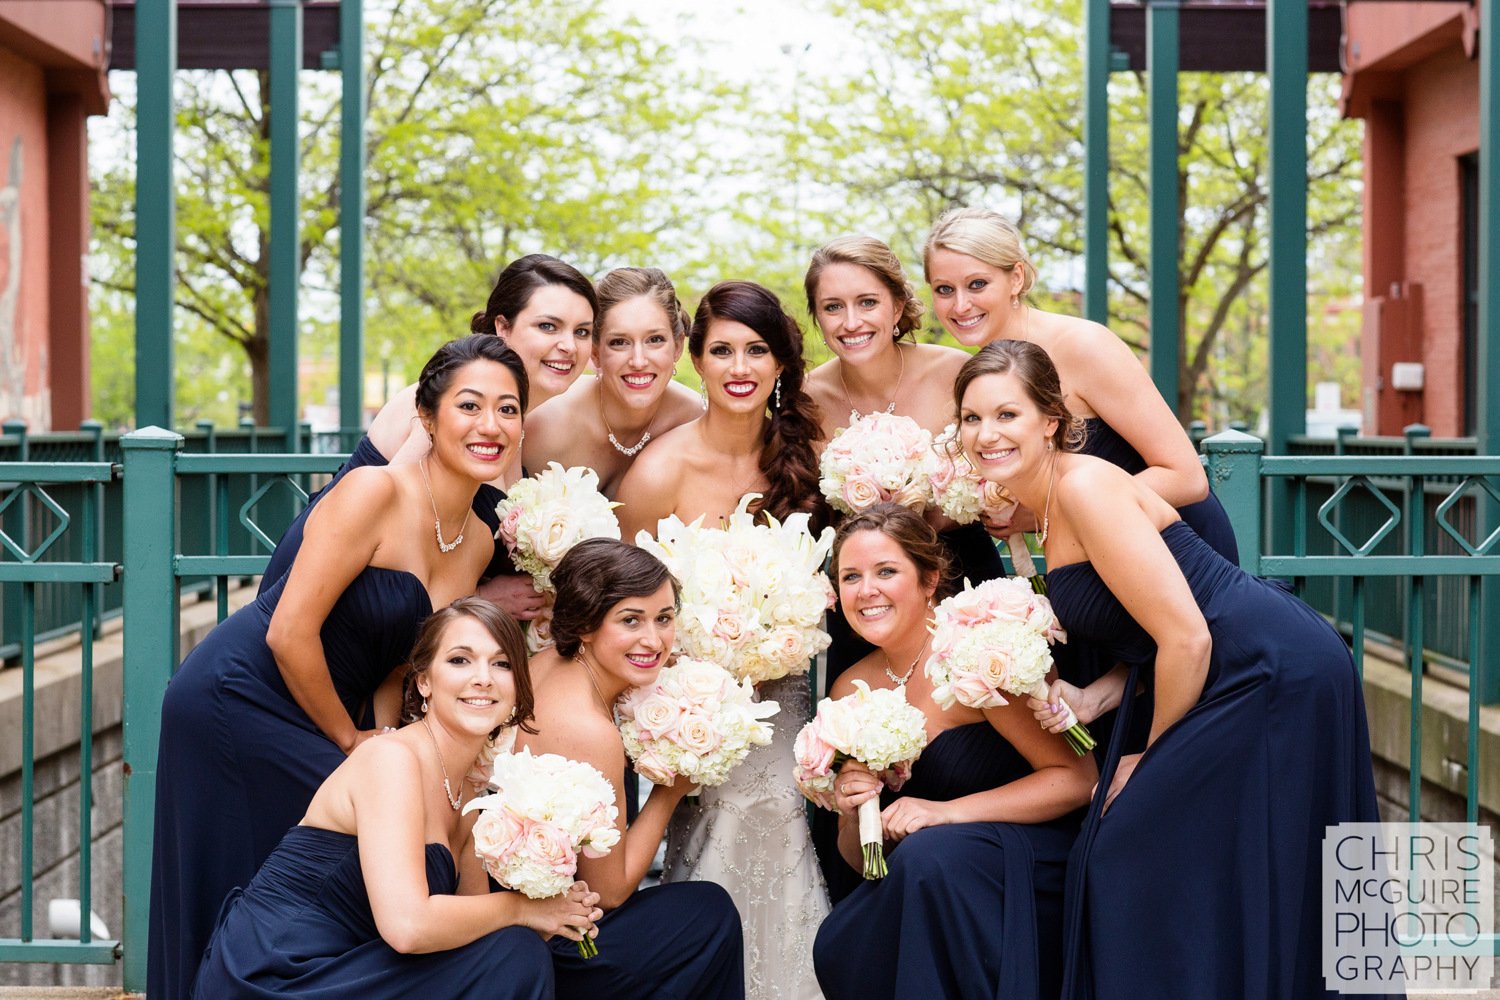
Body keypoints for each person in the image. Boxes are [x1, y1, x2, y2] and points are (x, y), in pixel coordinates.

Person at [954, 340, 1381, 999]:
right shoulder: (1045, 508)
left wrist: (1146, 759)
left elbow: (1186, 637)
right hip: (1217, 665)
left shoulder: (1087, 488)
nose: (986, 434)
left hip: (1269, 672)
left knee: (1129, 848)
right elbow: (1147, 638)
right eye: (971, 418)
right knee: (1165, 857)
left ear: (1049, 418)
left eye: (1006, 415)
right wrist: (1091, 698)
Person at [148, 334, 528, 1000]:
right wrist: (353, 742)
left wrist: (393, 740)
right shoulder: (372, 492)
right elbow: (290, 631)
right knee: (269, 870)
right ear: (428, 418)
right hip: (240, 696)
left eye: (507, 409)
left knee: (356, 870)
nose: (489, 425)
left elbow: (396, 667)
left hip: (333, 706)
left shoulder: (472, 542)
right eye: (470, 406)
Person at [924, 206, 1239, 749]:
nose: (960, 305)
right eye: (943, 289)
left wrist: (1055, 512)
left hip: (1174, 563)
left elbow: (1187, 476)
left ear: (1016, 277)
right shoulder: (981, 370)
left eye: (977, 284)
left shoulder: (1084, 347)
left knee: (1171, 755)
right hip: (1099, 590)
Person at [192, 598, 597, 998]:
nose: (483, 678)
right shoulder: (391, 760)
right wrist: (522, 909)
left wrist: (552, 909)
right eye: (460, 660)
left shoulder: (470, 798)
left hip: (360, 965)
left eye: (502, 663)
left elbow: (474, 938)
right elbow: (408, 925)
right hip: (283, 972)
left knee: (517, 953)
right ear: (424, 681)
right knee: (516, 954)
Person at [616, 281, 830, 1000]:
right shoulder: (658, 472)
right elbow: (627, 606)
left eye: (756, 350)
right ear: (697, 363)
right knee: (740, 805)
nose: (739, 366)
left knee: (786, 802)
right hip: (698, 703)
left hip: (794, 692)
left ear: (779, 364)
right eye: (722, 351)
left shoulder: (808, 456)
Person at [811, 503, 1093, 1000]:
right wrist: (856, 813)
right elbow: (860, 862)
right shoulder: (848, 688)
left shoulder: (974, 656)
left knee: (930, 858)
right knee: (846, 936)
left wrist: (945, 814)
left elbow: (1075, 779)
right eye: (850, 576)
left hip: (1026, 860)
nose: (866, 590)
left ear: (929, 579)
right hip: (933, 876)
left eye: (886, 572)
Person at [802, 235, 1007, 900]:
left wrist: (954, 504)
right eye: (833, 306)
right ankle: (873, 892)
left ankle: (971, 866)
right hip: (869, 596)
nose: (852, 320)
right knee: (862, 756)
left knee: (976, 725)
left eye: (867, 301)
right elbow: (810, 514)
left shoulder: (958, 373)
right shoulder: (806, 400)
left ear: (898, 305)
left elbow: (1006, 460)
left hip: (958, 573)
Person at [259, 253, 598, 620]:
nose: (569, 345)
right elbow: (387, 558)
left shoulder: (510, 422)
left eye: (582, 331)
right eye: (549, 327)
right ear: (502, 327)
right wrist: (481, 597)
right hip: (325, 611)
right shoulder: (445, 408)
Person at [520, 539, 746, 999]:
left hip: (527, 908)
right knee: (709, 911)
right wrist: (670, 792)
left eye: (664, 618)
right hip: (559, 945)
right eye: (630, 620)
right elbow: (611, 892)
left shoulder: (542, 663)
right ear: (585, 624)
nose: (654, 640)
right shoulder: (588, 728)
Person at [524, 266, 704, 499]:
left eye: (655, 340)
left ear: (677, 346)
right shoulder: (545, 424)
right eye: (619, 342)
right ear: (595, 352)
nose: (638, 361)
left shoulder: (696, 419)